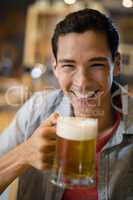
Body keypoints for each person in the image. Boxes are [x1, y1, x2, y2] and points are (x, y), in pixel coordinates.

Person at [0, 8, 133, 200]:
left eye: (96, 65)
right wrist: (24, 155)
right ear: (55, 68)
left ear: (117, 64)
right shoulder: (37, 110)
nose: (82, 82)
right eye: (68, 65)